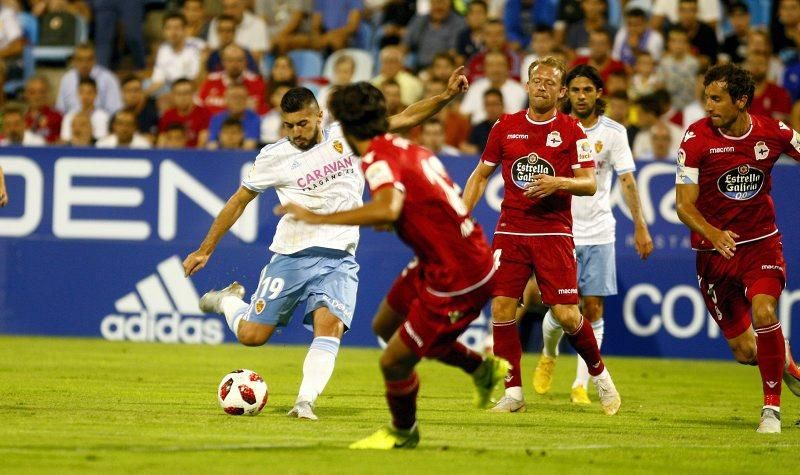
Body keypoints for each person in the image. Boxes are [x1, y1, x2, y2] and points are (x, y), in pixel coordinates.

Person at [183, 68, 472, 422]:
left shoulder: (346, 136)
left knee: (329, 325)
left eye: (302, 124)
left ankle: (304, 402)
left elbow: (406, 117)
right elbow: (237, 201)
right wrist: (206, 248)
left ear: (320, 115)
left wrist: (445, 96)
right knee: (252, 336)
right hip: (291, 255)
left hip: (339, 257)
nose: (295, 133)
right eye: (288, 126)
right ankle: (229, 301)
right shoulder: (273, 157)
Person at [277, 81, 510, 450]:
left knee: (393, 363)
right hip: (440, 258)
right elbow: (410, 205)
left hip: (458, 274)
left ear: (351, 129)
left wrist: (314, 217)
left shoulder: (377, 158)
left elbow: (388, 207)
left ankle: (404, 431)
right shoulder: (402, 146)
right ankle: (480, 368)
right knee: (385, 325)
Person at [461, 56, 621, 415]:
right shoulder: (505, 126)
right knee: (501, 308)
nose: (542, 87)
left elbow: (590, 182)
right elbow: (480, 175)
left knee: (566, 314)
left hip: (553, 232)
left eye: (550, 82)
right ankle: (513, 392)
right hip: (511, 230)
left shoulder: (572, 131)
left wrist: (557, 182)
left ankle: (600, 374)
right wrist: (460, 214)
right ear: (527, 85)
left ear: (561, 91)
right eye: (537, 81)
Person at [675, 63, 800, 433]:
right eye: (706, 97)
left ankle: (771, 411)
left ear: (741, 101)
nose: (708, 105)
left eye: (716, 99)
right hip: (713, 255)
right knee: (746, 352)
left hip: (760, 245)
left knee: (765, 311)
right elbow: (683, 205)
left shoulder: (772, 132)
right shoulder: (695, 139)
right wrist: (713, 233)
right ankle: (788, 363)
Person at [531, 65, 653, 404]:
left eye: (587, 90)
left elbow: (627, 180)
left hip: (600, 230)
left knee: (594, 309)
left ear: (598, 93)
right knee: (561, 309)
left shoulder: (613, 132)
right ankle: (549, 352)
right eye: (575, 90)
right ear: (564, 93)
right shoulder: (554, 129)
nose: (581, 96)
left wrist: (640, 224)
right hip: (560, 230)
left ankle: (580, 385)